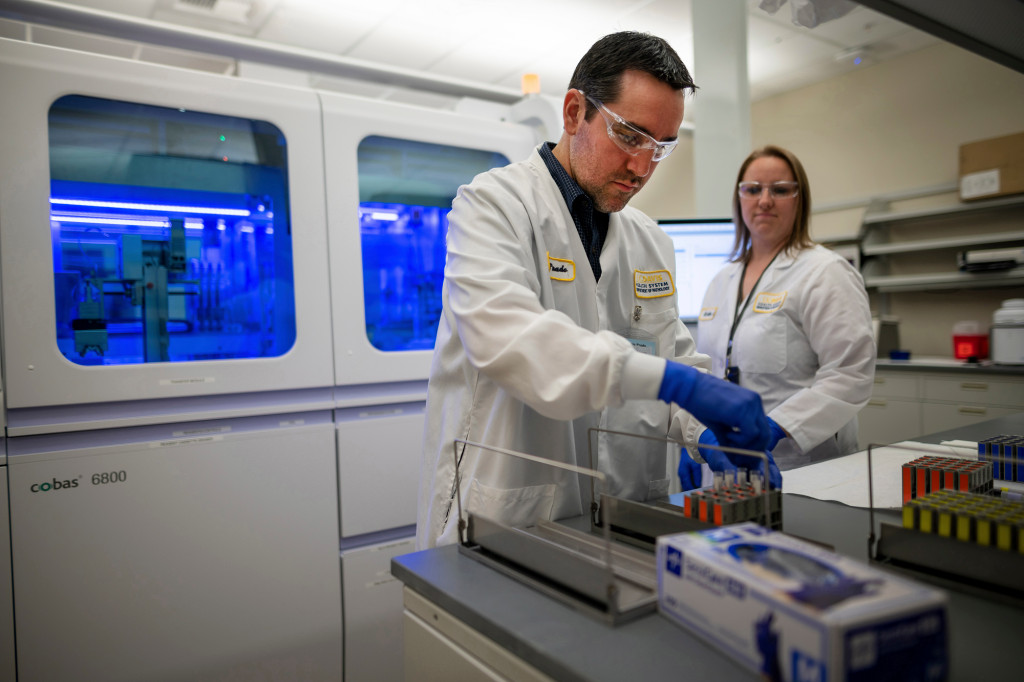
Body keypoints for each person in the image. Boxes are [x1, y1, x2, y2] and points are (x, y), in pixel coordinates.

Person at [416, 31, 779, 550]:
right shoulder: (493, 205)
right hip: (509, 515)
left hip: (630, 515)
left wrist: (706, 429)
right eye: (631, 136)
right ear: (573, 112)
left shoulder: (648, 240)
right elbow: (509, 337)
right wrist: (675, 382)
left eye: (662, 147)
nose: (642, 168)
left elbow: (667, 351)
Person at [685, 145, 875, 481]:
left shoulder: (824, 272)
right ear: (739, 197)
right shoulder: (720, 280)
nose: (765, 200)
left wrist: (779, 426)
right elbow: (709, 372)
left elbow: (850, 374)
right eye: (753, 189)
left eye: (781, 190)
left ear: (799, 199)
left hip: (802, 466)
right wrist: (696, 441)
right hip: (725, 463)